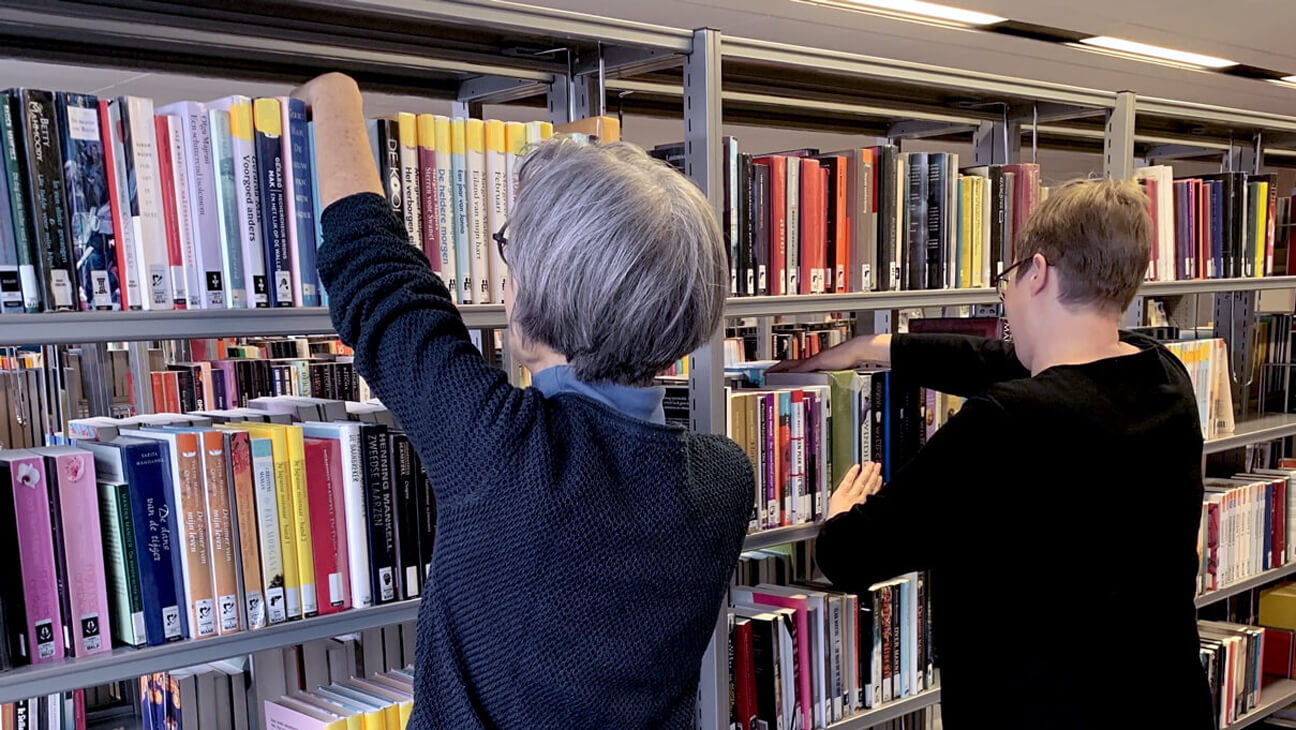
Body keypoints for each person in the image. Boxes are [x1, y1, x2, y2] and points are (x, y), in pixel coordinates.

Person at [297, 73, 753, 729]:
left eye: (512, 255)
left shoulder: (504, 451)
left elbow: (378, 282)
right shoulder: (722, 478)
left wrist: (334, 96)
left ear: (525, 298)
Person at [773, 178, 1214, 728]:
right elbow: (1007, 360)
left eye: (1007, 281)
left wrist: (838, 517)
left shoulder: (1005, 422)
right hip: (1168, 704)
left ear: (1038, 272)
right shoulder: (1165, 374)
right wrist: (873, 348)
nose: (1004, 298)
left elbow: (852, 558)